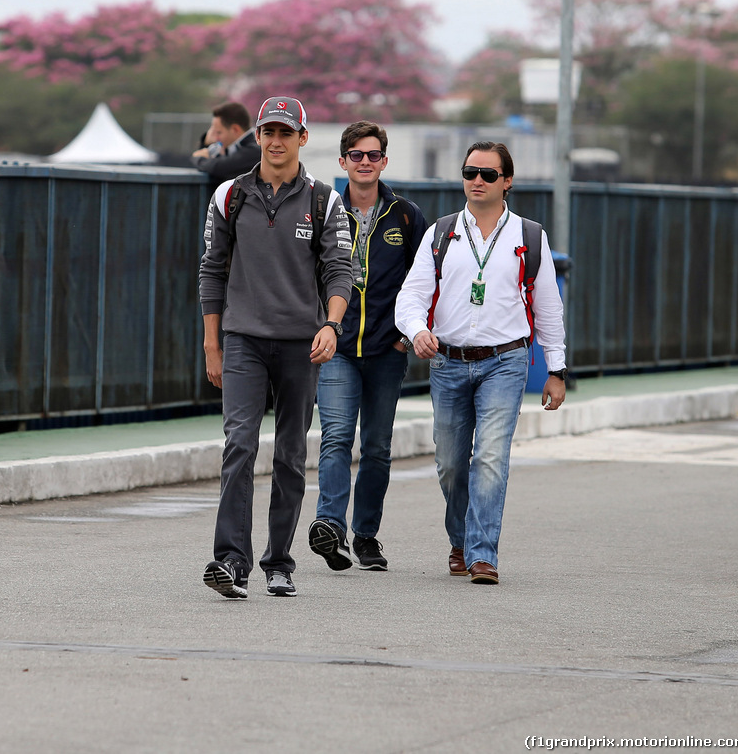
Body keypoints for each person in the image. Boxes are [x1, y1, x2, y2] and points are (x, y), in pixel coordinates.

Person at [199, 96, 354, 599]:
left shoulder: (324, 201)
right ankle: (231, 561)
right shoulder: (229, 195)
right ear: (259, 135)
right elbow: (211, 270)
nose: (276, 140)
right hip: (242, 340)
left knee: (289, 455)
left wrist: (331, 325)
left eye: (286, 132)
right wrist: (211, 344)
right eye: (269, 131)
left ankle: (279, 562)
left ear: (303, 138)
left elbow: (339, 271)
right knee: (239, 445)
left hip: (301, 346)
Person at [394, 141, 566, 585]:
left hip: (505, 362)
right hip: (447, 362)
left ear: (507, 181)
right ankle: (461, 540)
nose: (477, 181)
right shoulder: (441, 232)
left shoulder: (530, 236)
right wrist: (417, 332)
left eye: (488, 174)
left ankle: (483, 554)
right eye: (470, 172)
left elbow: (548, 308)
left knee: (490, 457)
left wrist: (556, 370)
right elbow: (410, 297)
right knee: (451, 464)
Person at [308, 121, 426, 573]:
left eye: (372, 155)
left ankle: (367, 535)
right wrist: (318, 326)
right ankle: (329, 527)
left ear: (384, 162)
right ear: (342, 162)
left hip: (386, 350)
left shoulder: (406, 215)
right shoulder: (322, 210)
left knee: (376, 445)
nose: (364, 162)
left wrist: (406, 335)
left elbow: (424, 281)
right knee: (336, 436)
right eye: (355, 155)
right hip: (335, 346)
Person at [191, 101, 259, 184]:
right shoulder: (233, 148)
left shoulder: (255, 149)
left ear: (235, 129)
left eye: (219, 132)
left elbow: (218, 168)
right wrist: (205, 144)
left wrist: (199, 158)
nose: (215, 138)